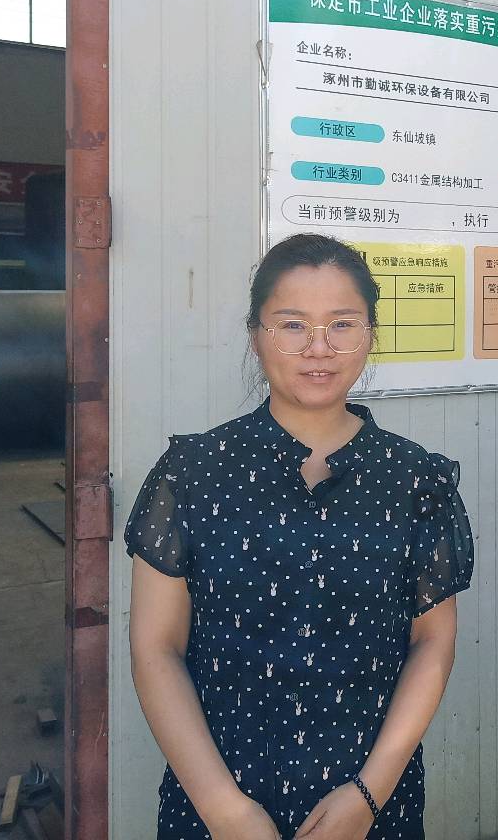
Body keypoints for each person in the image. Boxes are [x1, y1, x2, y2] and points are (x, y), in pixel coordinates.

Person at [127, 232, 474, 840]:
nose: (319, 348)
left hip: (372, 808)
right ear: (255, 334)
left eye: (342, 324)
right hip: (215, 805)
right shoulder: (193, 473)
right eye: (292, 325)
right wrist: (225, 811)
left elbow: (432, 642)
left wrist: (369, 795)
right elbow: (156, 649)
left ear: (370, 334)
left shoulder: (417, 479)